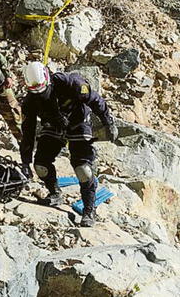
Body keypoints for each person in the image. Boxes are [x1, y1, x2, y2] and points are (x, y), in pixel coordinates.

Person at [19, 62, 118, 227]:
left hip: (78, 122)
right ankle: (55, 193)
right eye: (34, 91)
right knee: (41, 165)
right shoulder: (31, 101)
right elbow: (28, 131)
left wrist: (108, 122)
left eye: (42, 89)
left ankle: (89, 209)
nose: (39, 94)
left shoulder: (71, 83)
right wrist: (25, 161)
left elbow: (95, 100)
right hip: (53, 125)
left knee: (83, 169)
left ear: (47, 79)